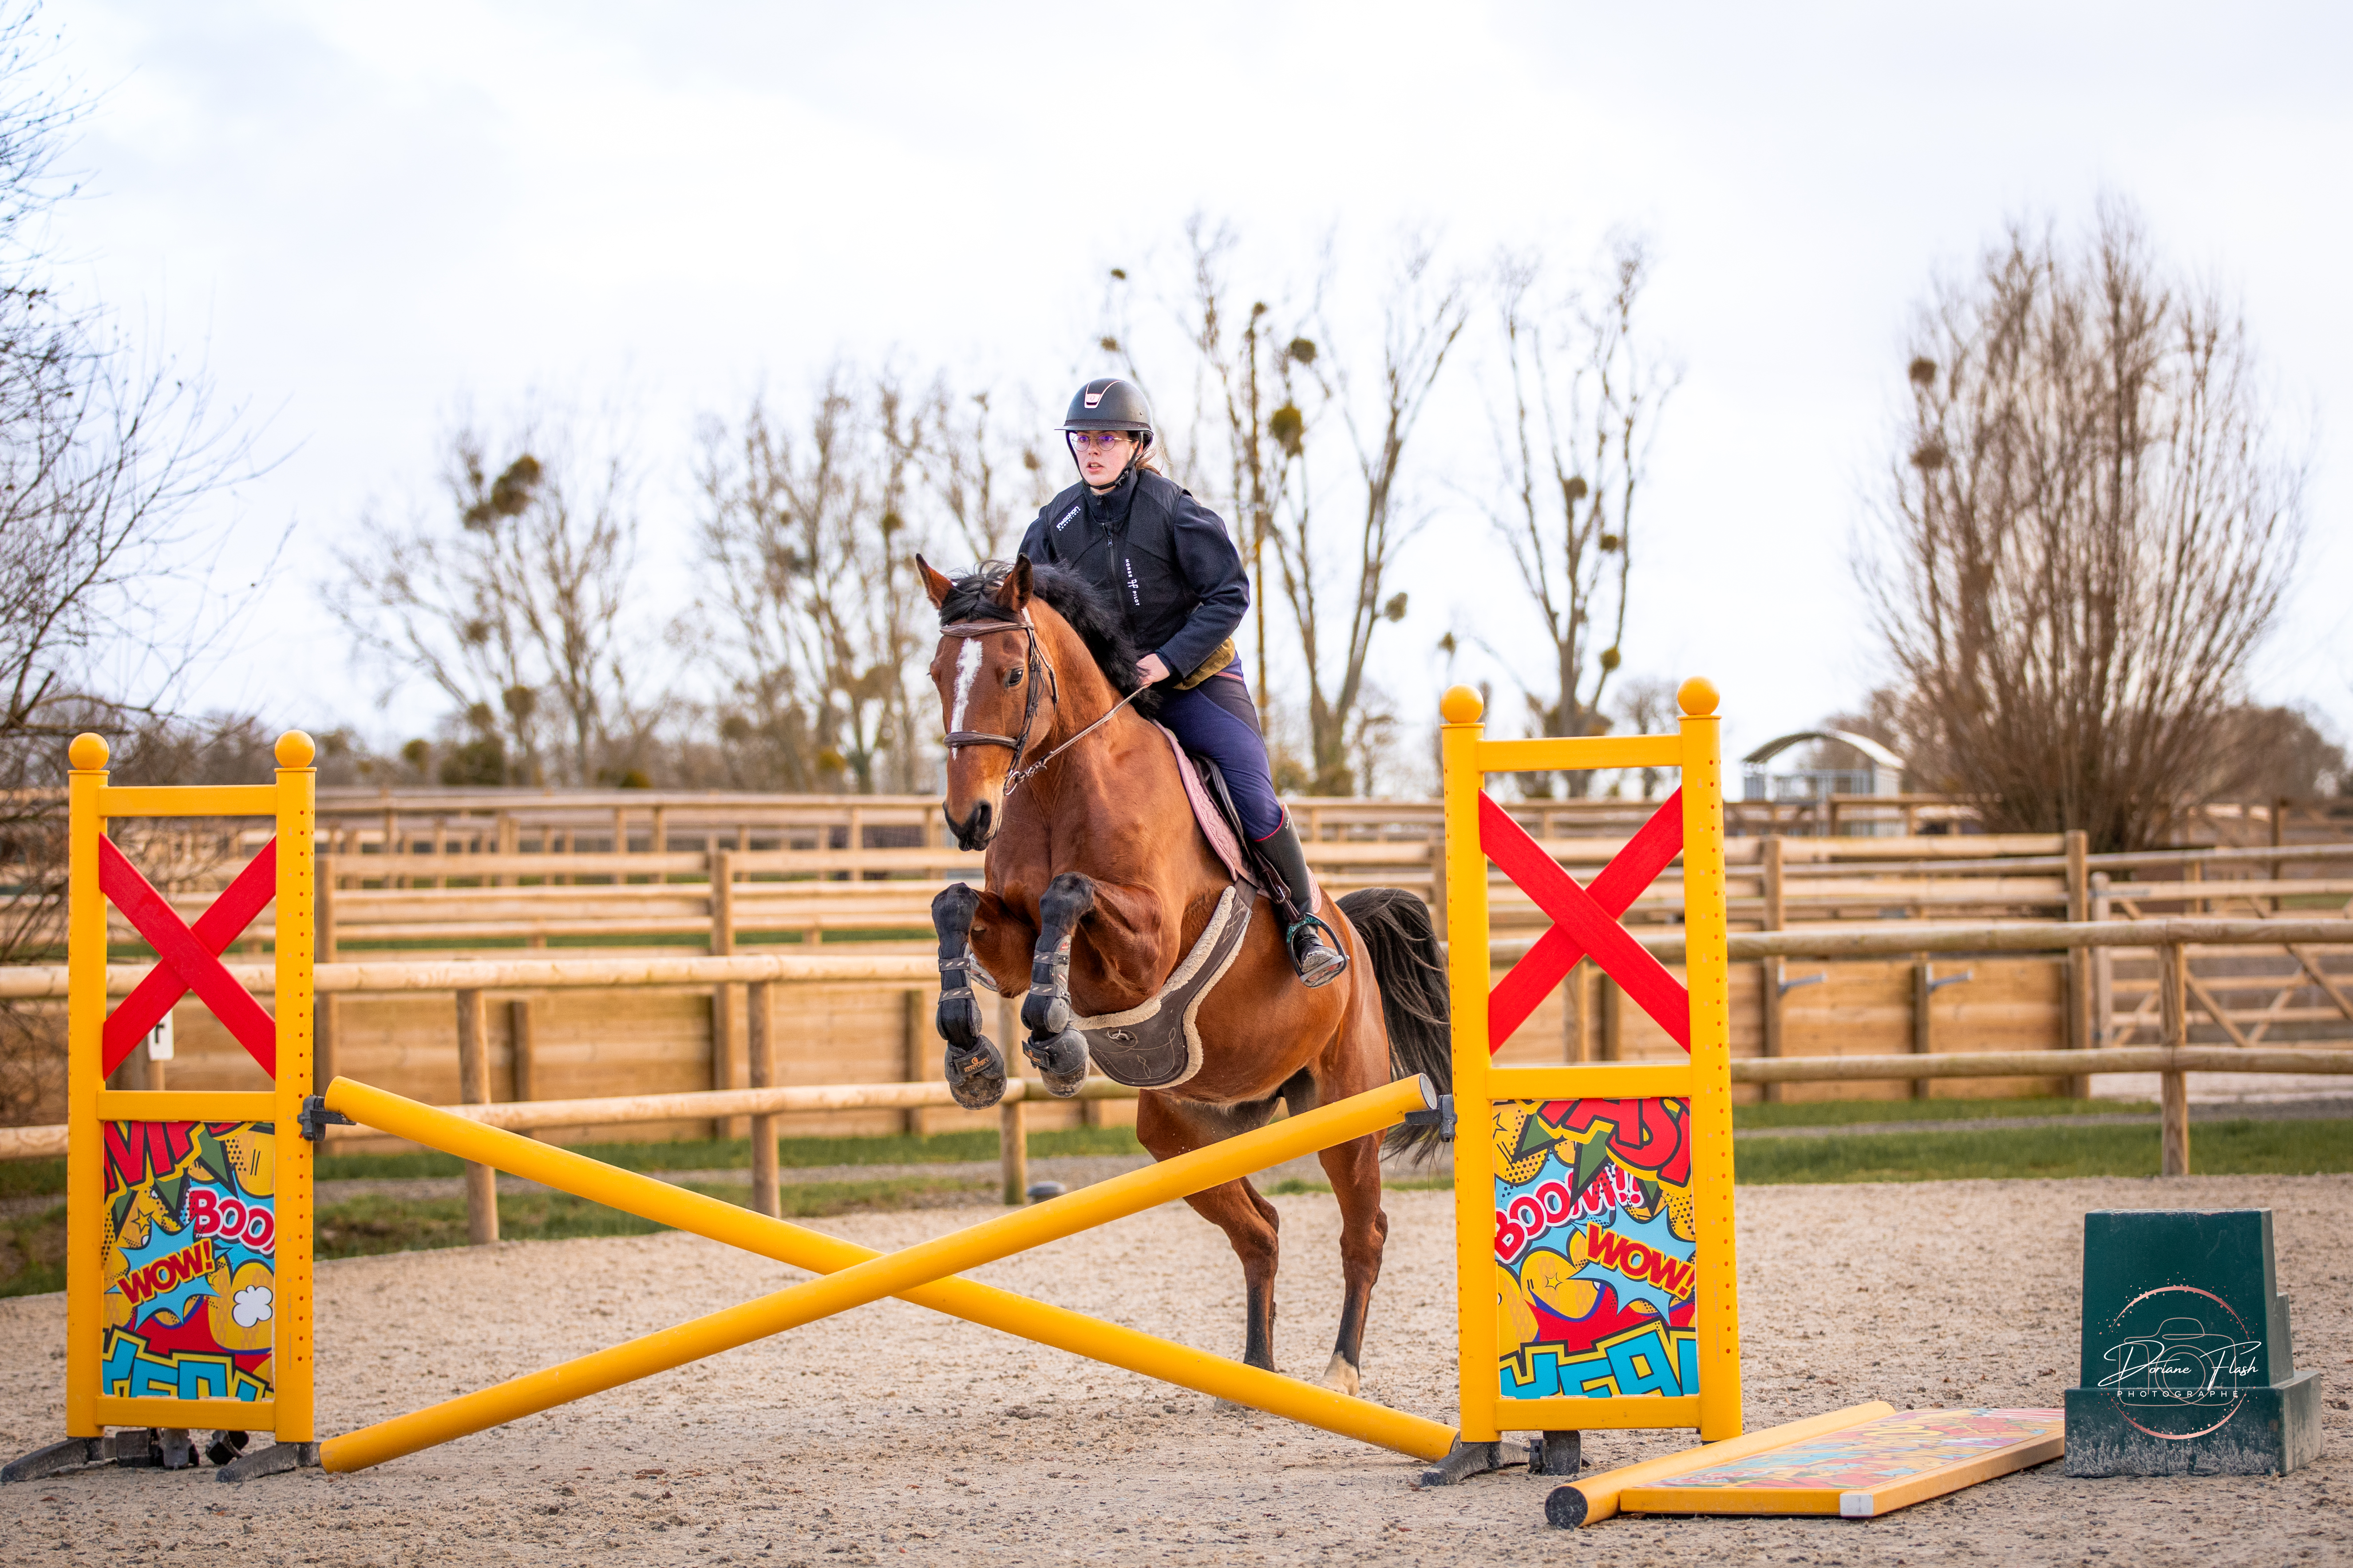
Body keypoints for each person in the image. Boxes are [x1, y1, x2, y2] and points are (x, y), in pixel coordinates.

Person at [1016, 376, 1346, 987]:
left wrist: (1165, 660)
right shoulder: (1052, 527)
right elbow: (1030, 614)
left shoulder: (1174, 509)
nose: (1092, 449)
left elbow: (1230, 594)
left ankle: (1304, 923)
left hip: (1194, 682)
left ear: (1137, 444)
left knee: (1251, 792)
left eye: (1106, 438)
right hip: (1111, 701)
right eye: (1083, 438)